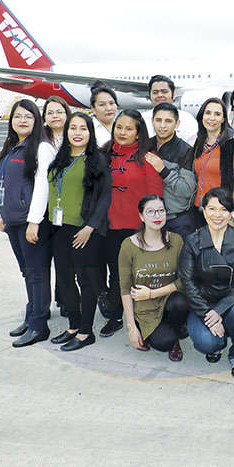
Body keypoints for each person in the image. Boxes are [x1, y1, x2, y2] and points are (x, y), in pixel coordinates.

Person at [46, 112, 112, 351]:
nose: (77, 133)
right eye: (72, 128)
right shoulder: (60, 158)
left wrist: (90, 227)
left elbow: (105, 197)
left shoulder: (97, 160)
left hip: (85, 231)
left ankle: (86, 332)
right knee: (64, 281)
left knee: (87, 282)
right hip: (59, 229)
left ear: (90, 133)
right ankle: (73, 326)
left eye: (83, 128)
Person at [0, 99, 56, 347]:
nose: (22, 120)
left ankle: (40, 325)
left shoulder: (42, 148)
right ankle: (32, 316)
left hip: (32, 224)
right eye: (18, 116)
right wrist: (0, 214)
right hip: (13, 221)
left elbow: (43, 187)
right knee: (27, 272)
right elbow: (2, 183)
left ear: (37, 120)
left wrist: (34, 221)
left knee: (37, 273)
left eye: (28, 117)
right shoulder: (11, 147)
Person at [97, 110, 164, 338]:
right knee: (113, 273)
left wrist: (152, 228)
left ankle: (136, 316)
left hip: (135, 228)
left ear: (138, 133)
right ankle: (115, 312)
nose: (122, 132)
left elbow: (155, 196)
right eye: (119, 127)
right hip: (107, 226)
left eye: (129, 128)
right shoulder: (103, 154)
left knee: (133, 274)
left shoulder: (147, 157)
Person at [179, 187, 234, 377]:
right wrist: (207, 314)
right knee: (206, 343)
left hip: (233, 300)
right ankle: (217, 343)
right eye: (212, 209)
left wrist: (219, 310)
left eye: (223, 209)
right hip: (203, 303)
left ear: (231, 213)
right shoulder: (192, 241)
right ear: (203, 211)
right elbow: (188, 283)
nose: (217, 215)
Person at [119, 195, 189, 362]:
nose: (157, 216)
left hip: (169, 300)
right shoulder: (129, 245)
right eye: (150, 212)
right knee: (163, 342)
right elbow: (125, 288)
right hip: (144, 307)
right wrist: (131, 328)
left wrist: (152, 293)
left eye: (161, 211)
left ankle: (176, 330)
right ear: (141, 216)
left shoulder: (176, 241)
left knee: (181, 301)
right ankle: (164, 334)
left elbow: (184, 280)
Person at [191, 98, 234, 228]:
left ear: (223, 119)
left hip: (221, 212)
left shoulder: (232, 143)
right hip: (200, 209)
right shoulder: (199, 142)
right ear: (202, 116)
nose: (212, 118)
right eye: (208, 113)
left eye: (217, 114)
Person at [42, 95, 74, 317]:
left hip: (69, 207)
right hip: (46, 208)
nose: (55, 116)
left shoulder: (76, 137)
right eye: (50, 112)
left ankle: (67, 298)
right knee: (52, 258)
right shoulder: (40, 141)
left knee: (68, 257)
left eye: (59, 111)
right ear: (44, 117)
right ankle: (57, 298)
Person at [145, 102, 197, 238]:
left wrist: (163, 170)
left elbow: (187, 191)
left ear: (177, 123)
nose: (162, 125)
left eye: (168, 121)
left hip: (176, 220)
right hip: (148, 219)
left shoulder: (186, 151)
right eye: (158, 120)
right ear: (152, 121)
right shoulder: (145, 146)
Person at [140, 75, 197, 143]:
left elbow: (191, 148)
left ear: (173, 94)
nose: (160, 95)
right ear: (150, 96)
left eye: (164, 92)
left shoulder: (187, 119)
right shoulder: (141, 119)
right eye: (155, 92)